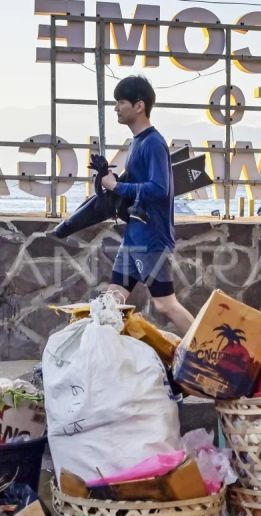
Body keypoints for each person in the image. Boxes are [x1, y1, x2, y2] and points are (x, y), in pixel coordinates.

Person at [99, 75, 195, 333]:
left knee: (165, 304)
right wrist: (112, 181)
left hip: (151, 238)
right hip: (135, 236)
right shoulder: (138, 142)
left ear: (138, 106)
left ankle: (211, 354)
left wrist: (117, 186)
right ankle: (97, 359)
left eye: (120, 102)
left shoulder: (153, 142)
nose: (116, 108)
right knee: (113, 297)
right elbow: (139, 186)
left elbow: (159, 189)